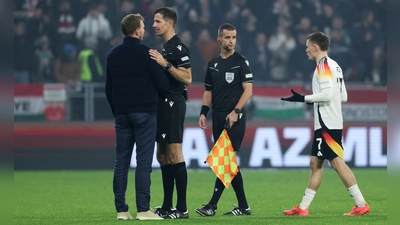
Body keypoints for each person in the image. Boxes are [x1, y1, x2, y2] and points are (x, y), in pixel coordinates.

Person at [280, 31, 370, 216]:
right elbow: (343, 96)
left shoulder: (322, 67)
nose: (306, 50)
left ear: (315, 47)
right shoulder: (335, 66)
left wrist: (303, 98)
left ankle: (361, 204)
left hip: (327, 123)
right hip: (331, 120)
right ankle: (303, 208)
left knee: (337, 163)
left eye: (307, 47)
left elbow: (328, 95)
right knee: (315, 163)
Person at [105, 13, 169, 221]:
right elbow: (163, 84)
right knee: (143, 163)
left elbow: (108, 88)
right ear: (137, 31)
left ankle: (122, 210)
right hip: (145, 114)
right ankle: (143, 209)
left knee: (121, 162)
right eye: (143, 27)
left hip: (122, 115)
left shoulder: (112, 54)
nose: (144, 30)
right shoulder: (146, 52)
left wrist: (118, 110)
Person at [196, 23, 253, 217]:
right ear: (219, 39)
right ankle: (244, 207)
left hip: (234, 117)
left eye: (234, 37)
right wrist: (204, 112)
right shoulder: (213, 64)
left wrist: (236, 111)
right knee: (228, 162)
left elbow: (248, 90)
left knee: (224, 159)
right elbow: (208, 91)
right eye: (228, 37)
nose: (231, 41)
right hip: (218, 116)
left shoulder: (241, 62)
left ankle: (212, 205)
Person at [148, 7, 192, 219]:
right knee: (162, 155)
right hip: (162, 104)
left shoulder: (178, 48)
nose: (154, 25)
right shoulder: (166, 47)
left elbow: (187, 78)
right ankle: (167, 206)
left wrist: (164, 64)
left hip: (174, 103)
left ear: (169, 23)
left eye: (157, 21)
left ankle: (182, 208)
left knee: (175, 154)